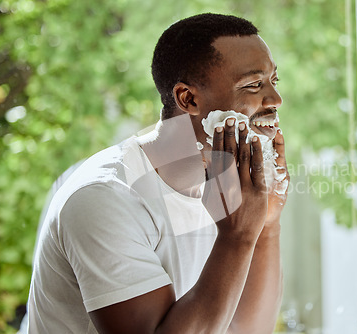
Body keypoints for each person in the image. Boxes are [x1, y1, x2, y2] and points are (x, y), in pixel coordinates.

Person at [25, 13, 289, 333]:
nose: (275, 99)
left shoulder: (228, 188)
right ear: (187, 99)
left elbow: (246, 329)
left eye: (274, 81)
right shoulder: (103, 199)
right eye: (253, 84)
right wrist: (238, 236)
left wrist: (267, 225)